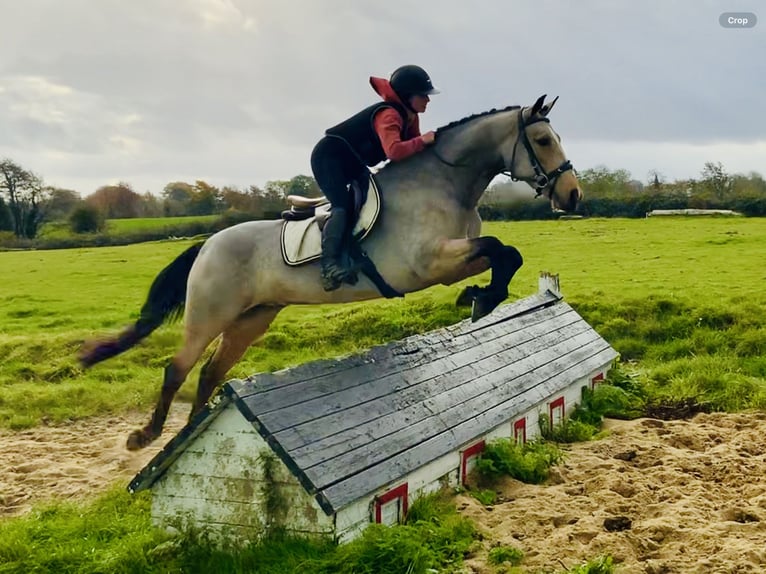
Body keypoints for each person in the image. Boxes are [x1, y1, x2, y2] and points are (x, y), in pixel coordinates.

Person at [310, 64, 440, 292]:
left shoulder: (410, 116)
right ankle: (328, 266)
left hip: (352, 162)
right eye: (423, 96)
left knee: (378, 198)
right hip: (329, 158)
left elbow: (414, 153)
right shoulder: (389, 114)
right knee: (343, 206)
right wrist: (424, 141)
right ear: (408, 96)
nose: (428, 101)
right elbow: (395, 151)